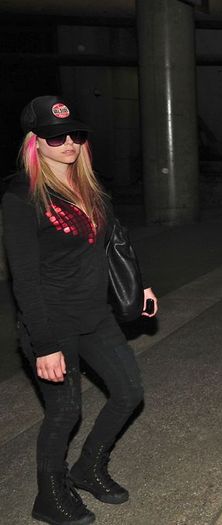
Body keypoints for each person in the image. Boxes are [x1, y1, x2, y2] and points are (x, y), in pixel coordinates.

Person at [2, 95, 158, 525]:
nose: (69, 143)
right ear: (36, 142)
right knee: (65, 411)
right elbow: (25, 280)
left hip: (95, 315)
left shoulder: (89, 185)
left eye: (75, 134)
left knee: (128, 391)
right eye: (57, 136)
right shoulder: (21, 197)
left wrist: (138, 283)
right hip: (51, 322)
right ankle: (49, 497)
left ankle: (88, 467)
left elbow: (114, 242)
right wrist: (45, 344)